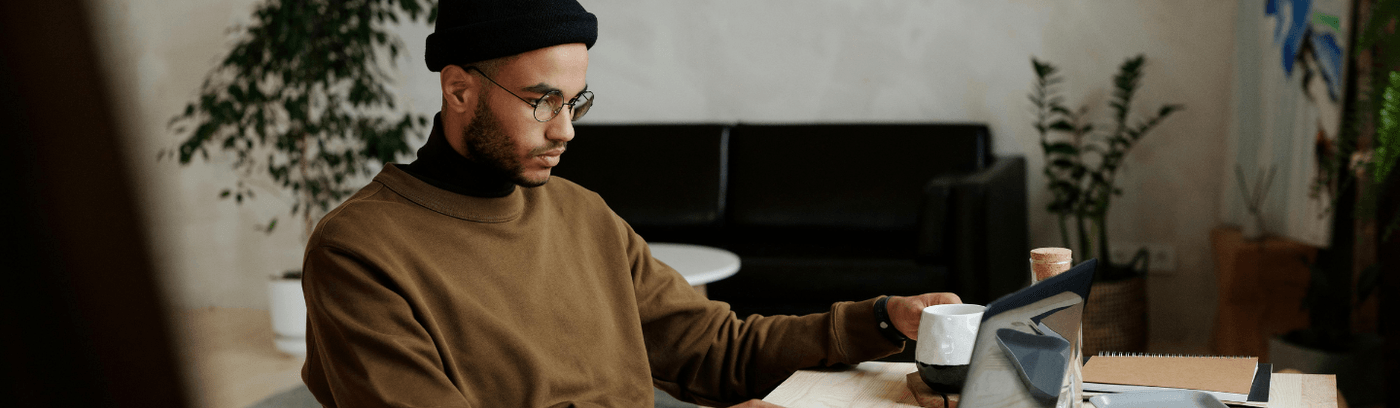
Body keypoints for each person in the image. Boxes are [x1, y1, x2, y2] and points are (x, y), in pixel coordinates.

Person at [299, 0, 963, 406]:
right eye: (541, 101)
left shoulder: (582, 214)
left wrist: (879, 321)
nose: (565, 130)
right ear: (459, 91)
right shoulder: (358, 249)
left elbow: (718, 351)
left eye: (576, 101)